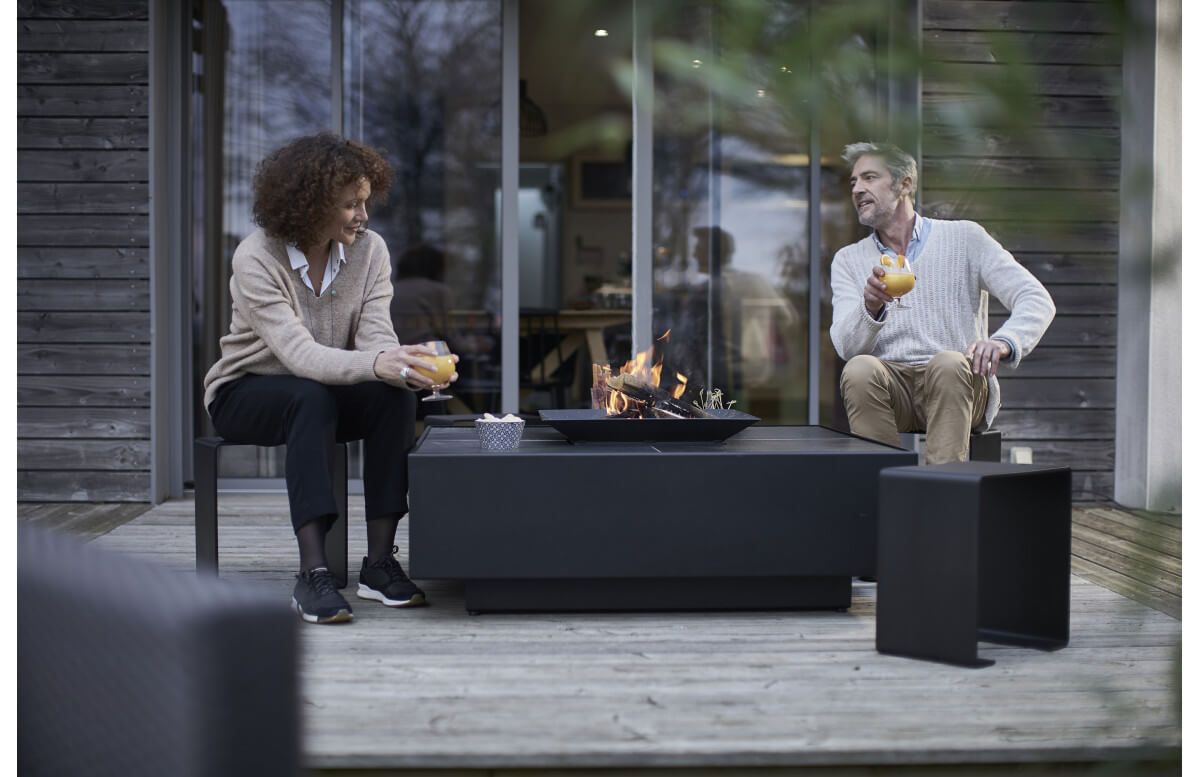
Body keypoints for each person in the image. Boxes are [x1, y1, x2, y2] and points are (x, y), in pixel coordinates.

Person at [202, 132, 459, 624]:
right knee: (308, 397)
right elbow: (299, 355)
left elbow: (375, 339)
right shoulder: (256, 256)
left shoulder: (370, 251)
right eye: (350, 205)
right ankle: (313, 574)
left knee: (390, 399)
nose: (363, 215)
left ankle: (379, 564)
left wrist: (408, 369)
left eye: (365, 202)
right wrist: (377, 364)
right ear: (310, 205)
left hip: (323, 387)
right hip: (246, 391)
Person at [830, 141, 1055, 464]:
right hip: (894, 389)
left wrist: (1004, 342)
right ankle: (878, 493)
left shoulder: (965, 238)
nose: (857, 189)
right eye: (853, 181)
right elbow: (846, 347)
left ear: (904, 184)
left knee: (947, 363)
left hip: (960, 383)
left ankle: (943, 497)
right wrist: (871, 307)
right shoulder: (849, 260)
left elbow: (1035, 298)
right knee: (859, 369)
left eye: (868, 177)